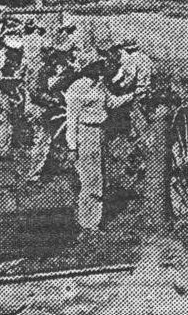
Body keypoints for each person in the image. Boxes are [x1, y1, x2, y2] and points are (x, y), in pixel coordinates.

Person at [65, 60, 134, 238]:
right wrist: (72, 147)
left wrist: (133, 96)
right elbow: (71, 120)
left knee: (98, 178)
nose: (101, 69)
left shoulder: (100, 85)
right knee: (89, 179)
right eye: (96, 66)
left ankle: (94, 220)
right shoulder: (77, 88)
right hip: (84, 134)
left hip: (99, 133)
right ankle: (88, 225)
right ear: (88, 68)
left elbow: (111, 103)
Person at [24, 45, 63, 181]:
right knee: (42, 140)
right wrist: (53, 100)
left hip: (35, 107)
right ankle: (34, 174)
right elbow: (35, 92)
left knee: (41, 139)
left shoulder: (36, 65)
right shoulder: (39, 67)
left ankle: (38, 169)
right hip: (37, 108)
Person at [0, 37, 24, 157]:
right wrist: (18, 80)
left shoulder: (7, 57)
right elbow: (0, 80)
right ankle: (4, 150)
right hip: (1, 93)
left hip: (6, 92)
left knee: (9, 120)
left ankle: (8, 147)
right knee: (4, 121)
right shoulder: (1, 57)